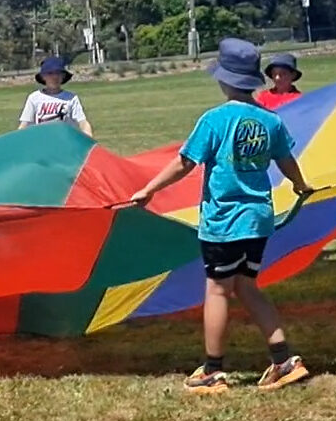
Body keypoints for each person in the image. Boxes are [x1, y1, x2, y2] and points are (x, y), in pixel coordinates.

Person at [128, 38, 314, 394]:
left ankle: (212, 371)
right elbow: (286, 160)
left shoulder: (214, 120)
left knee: (217, 289)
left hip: (223, 221)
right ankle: (285, 361)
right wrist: (301, 184)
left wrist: (148, 190)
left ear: (225, 80)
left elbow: (185, 162)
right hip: (258, 219)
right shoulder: (269, 120)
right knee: (247, 285)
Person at [18, 56, 93, 137]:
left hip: (65, 142)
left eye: (58, 73)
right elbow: (24, 124)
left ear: (63, 76)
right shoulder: (34, 98)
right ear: (43, 77)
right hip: (42, 142)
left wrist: (88, 136)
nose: (55, 77)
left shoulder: (71, 98)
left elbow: (82, 122)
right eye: (50, 73)